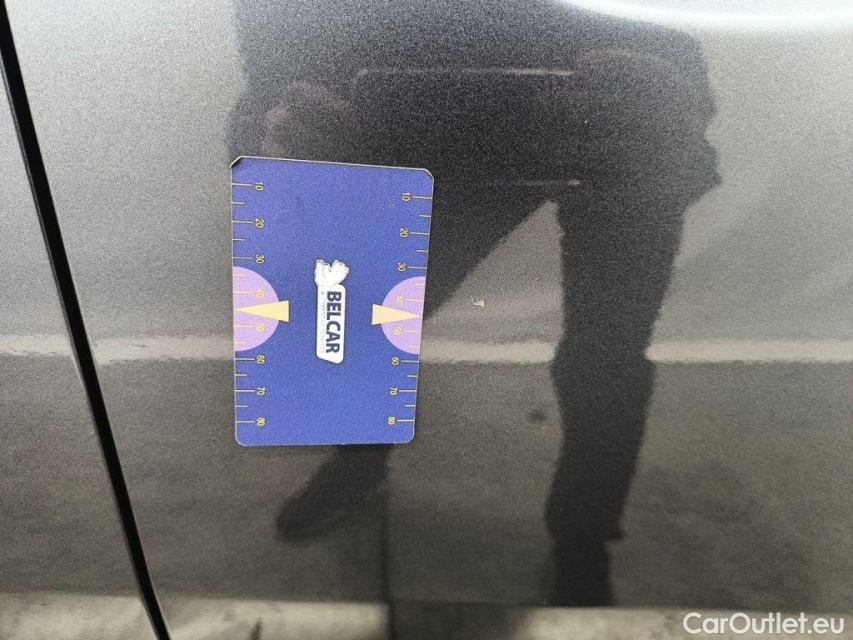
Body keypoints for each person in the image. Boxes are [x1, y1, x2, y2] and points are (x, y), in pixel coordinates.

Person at [232, 0, 718, 606]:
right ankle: (369, 465)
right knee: (379, 314)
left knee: (605, 355)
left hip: (615, 113)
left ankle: (582, 534)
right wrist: (283, 108)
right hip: (464, 111)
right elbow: (272, 53)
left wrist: (680, 91)